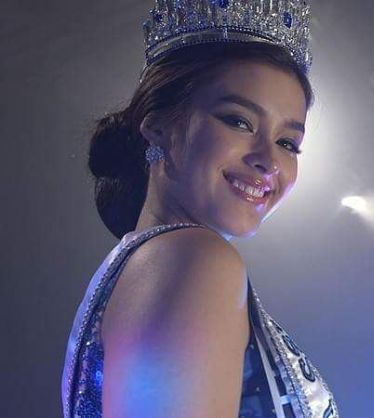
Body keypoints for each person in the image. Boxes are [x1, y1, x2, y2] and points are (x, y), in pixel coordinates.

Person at [60, 1, 339, 417]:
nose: (269, 160)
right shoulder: (197, 259)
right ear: (159, 126)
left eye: (287, 143)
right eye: (239, 121)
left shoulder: (142, 266)